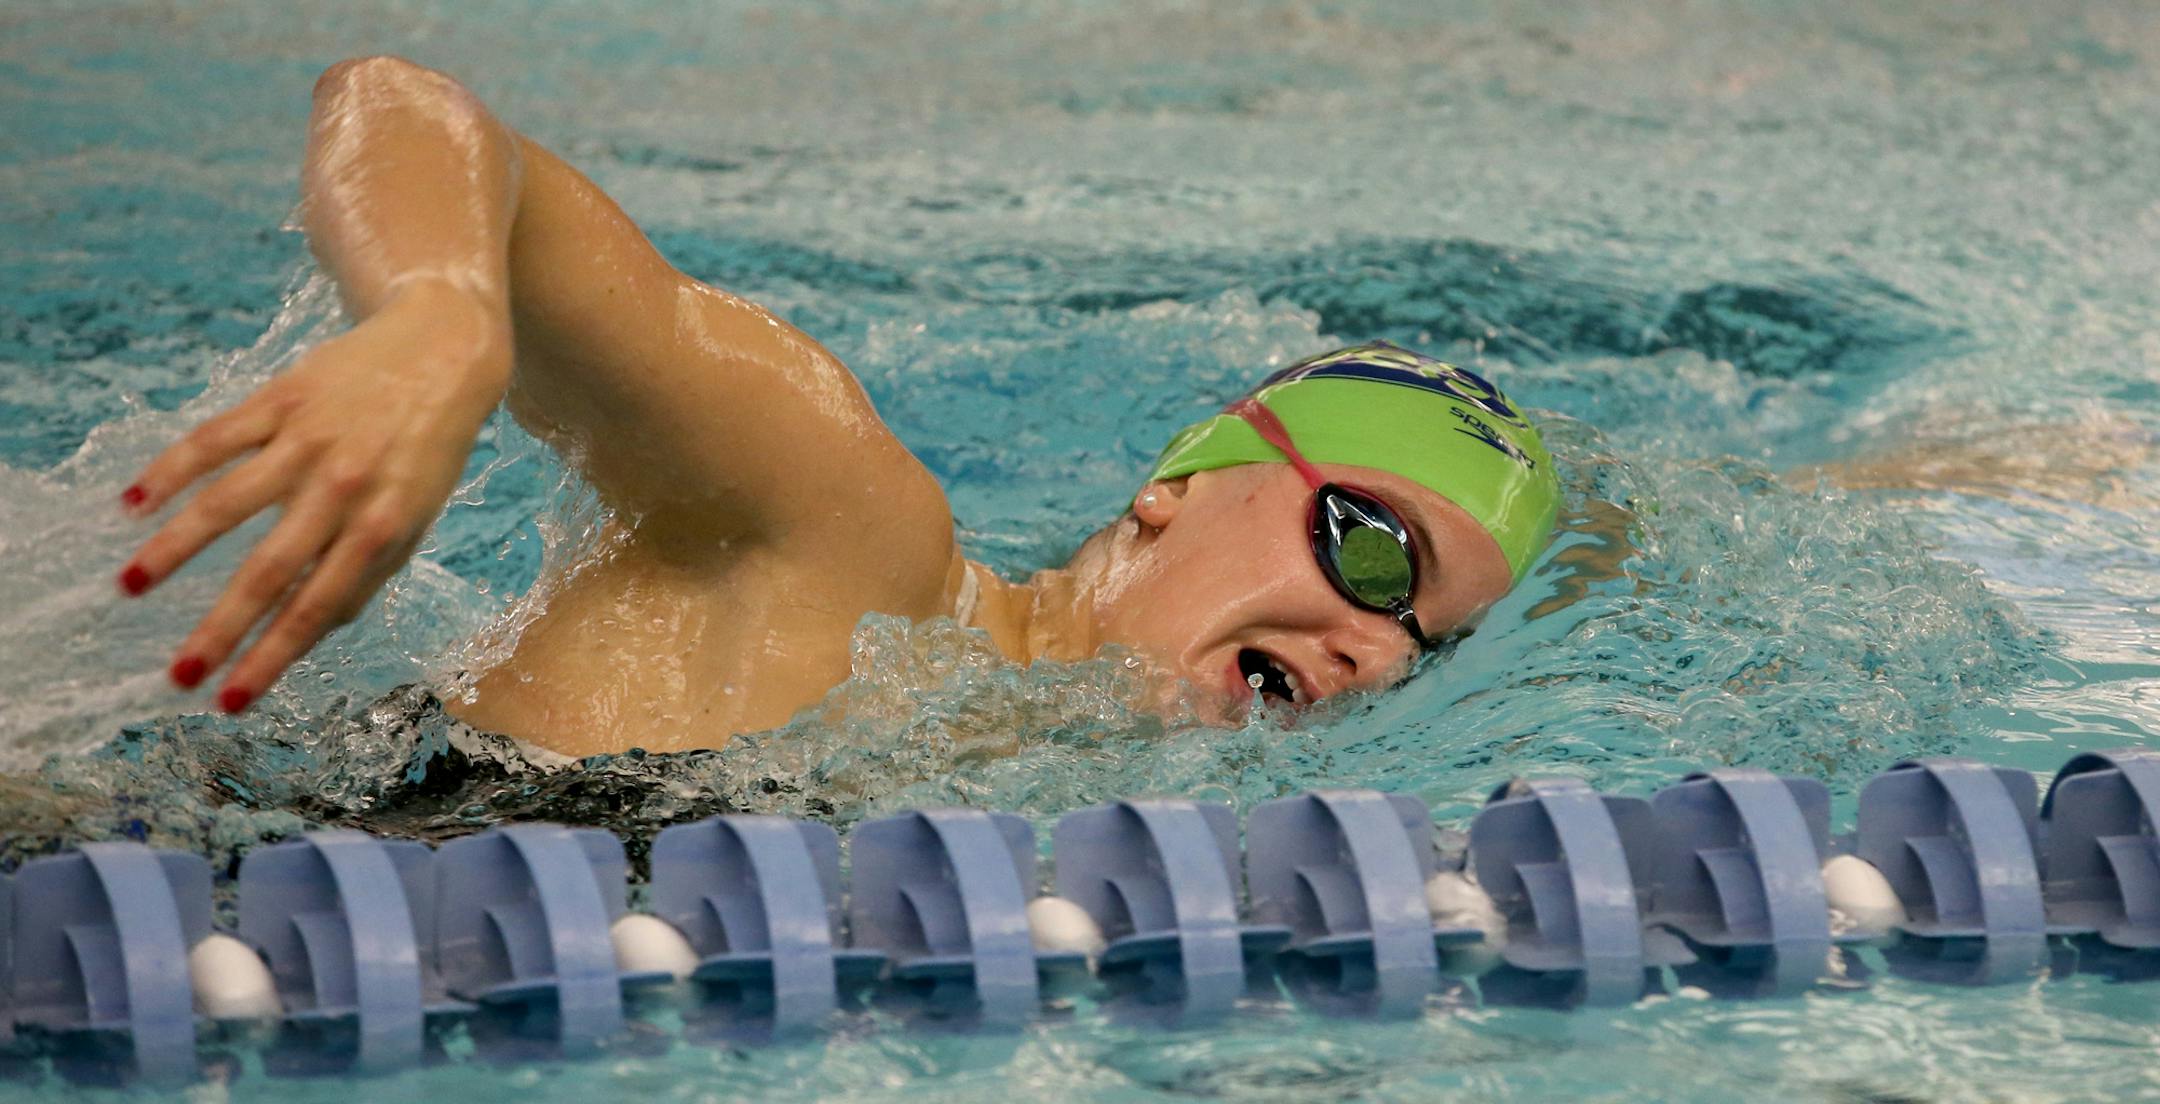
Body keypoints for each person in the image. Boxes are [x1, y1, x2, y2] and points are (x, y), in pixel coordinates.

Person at [112, 56, 1560, 758]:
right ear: (1177, 487)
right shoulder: (844, 537)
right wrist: (439, 319)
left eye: (1426, 645)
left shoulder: (1053, 798)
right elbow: (401, 107)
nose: (1376, 648)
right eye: (1375, 549)